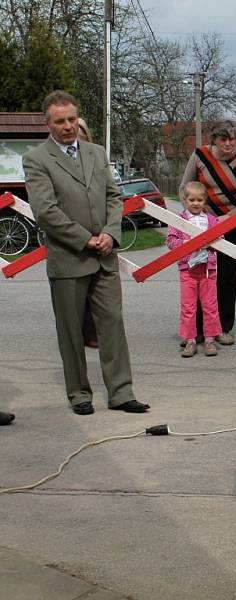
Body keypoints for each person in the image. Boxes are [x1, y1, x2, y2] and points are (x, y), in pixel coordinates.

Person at [23, 90, 149, 415]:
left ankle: (121, 392)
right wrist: (85, 239)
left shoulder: (95, 152)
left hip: (104, 257)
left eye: (71, 119)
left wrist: (110, 233)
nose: (67, 126)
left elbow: (113, 198)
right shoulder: (36, 159)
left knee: (113, 324)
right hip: (69, 259)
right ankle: (79, 394)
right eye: (60, 121)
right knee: (70, 328)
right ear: (47, 123)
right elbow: (45, 211)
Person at [181, 120, 236, 347]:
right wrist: (198, 215)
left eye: (232, 139)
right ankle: (197, 330)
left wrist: (229, 218)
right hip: (203, 224)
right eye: (223, 139)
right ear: (214, 140)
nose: (228, 144)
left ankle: (222, 327)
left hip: (234, 224)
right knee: (200, 274)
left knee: (227, 277)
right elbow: (185, 187)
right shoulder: (200, 156)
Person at [167, 182, 223, 358]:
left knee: (210, 305)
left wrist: (212, 242)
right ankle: (190, 340)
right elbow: (171, 241)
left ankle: (209, 339)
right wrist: (187, 244)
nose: (196, 203)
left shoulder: (211, 220)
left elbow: (220, 241)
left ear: (204, 200)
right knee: (188, 306)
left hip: (208, 270)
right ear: (184, 200)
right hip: (188, 270)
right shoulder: (179, 220)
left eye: (199, 199)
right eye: (191, 200)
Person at [75, 117, 99, 349]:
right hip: (72, 232)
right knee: (73, 291)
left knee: (94, 289)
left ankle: (91, 333)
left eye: (81, 130)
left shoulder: (95, 158)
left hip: (95, 229)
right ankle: (75, 333)